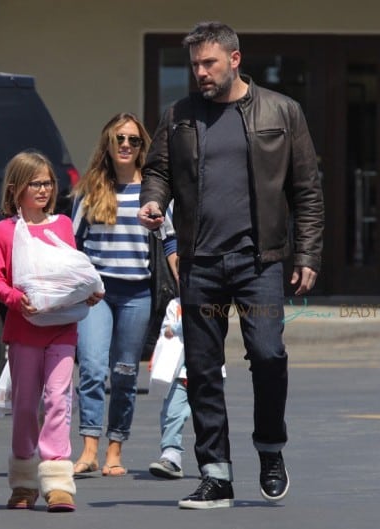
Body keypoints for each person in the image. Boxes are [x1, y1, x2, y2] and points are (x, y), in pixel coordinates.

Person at [139, 21, 324, 509]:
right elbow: (157, 169)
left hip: (257, 262)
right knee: (201, 367)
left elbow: (306, 190)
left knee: (268, 354)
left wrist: (306, 254)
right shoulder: (178, 116)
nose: (200, 72)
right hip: (199, 263)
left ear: (235, 60)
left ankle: (269, 447)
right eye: (195, 64)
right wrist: (154, 200)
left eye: (209, 63)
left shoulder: (282, 111)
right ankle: (216, 475)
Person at [0, 151, 101, 513]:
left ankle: (56, 483)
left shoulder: (62, 225)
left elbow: (71, 275)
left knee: (58, 400)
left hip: (62, 328)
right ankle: (23, 481)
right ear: (15, 188)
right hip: (24, 329)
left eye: (48, 182)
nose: (43, 189)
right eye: (35, 183)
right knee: (24, 406)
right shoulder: (3, 231)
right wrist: (18, 300)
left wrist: (89, 292)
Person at [71, 112, 177, 477]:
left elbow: (170, 241)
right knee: (93, 368)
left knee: (125, 372)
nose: (126, 145)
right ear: (108, 144)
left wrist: (181, 289)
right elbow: (74, 246)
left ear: (142, 146)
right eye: (119, 139)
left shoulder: (155, 190)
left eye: (133, 140)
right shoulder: (90, 191)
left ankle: (115, 450)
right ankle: (88, 448)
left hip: (138, 294)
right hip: (97, 294)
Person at [148, 292, 226, 480]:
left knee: (209, 417)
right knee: (172, 413)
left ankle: (212, 461)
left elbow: (200, 325)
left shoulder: (216, 301)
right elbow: (165, 332)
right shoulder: (174, 304)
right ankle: (171, 456)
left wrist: (175, 328)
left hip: (208, 370)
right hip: (178, 371)